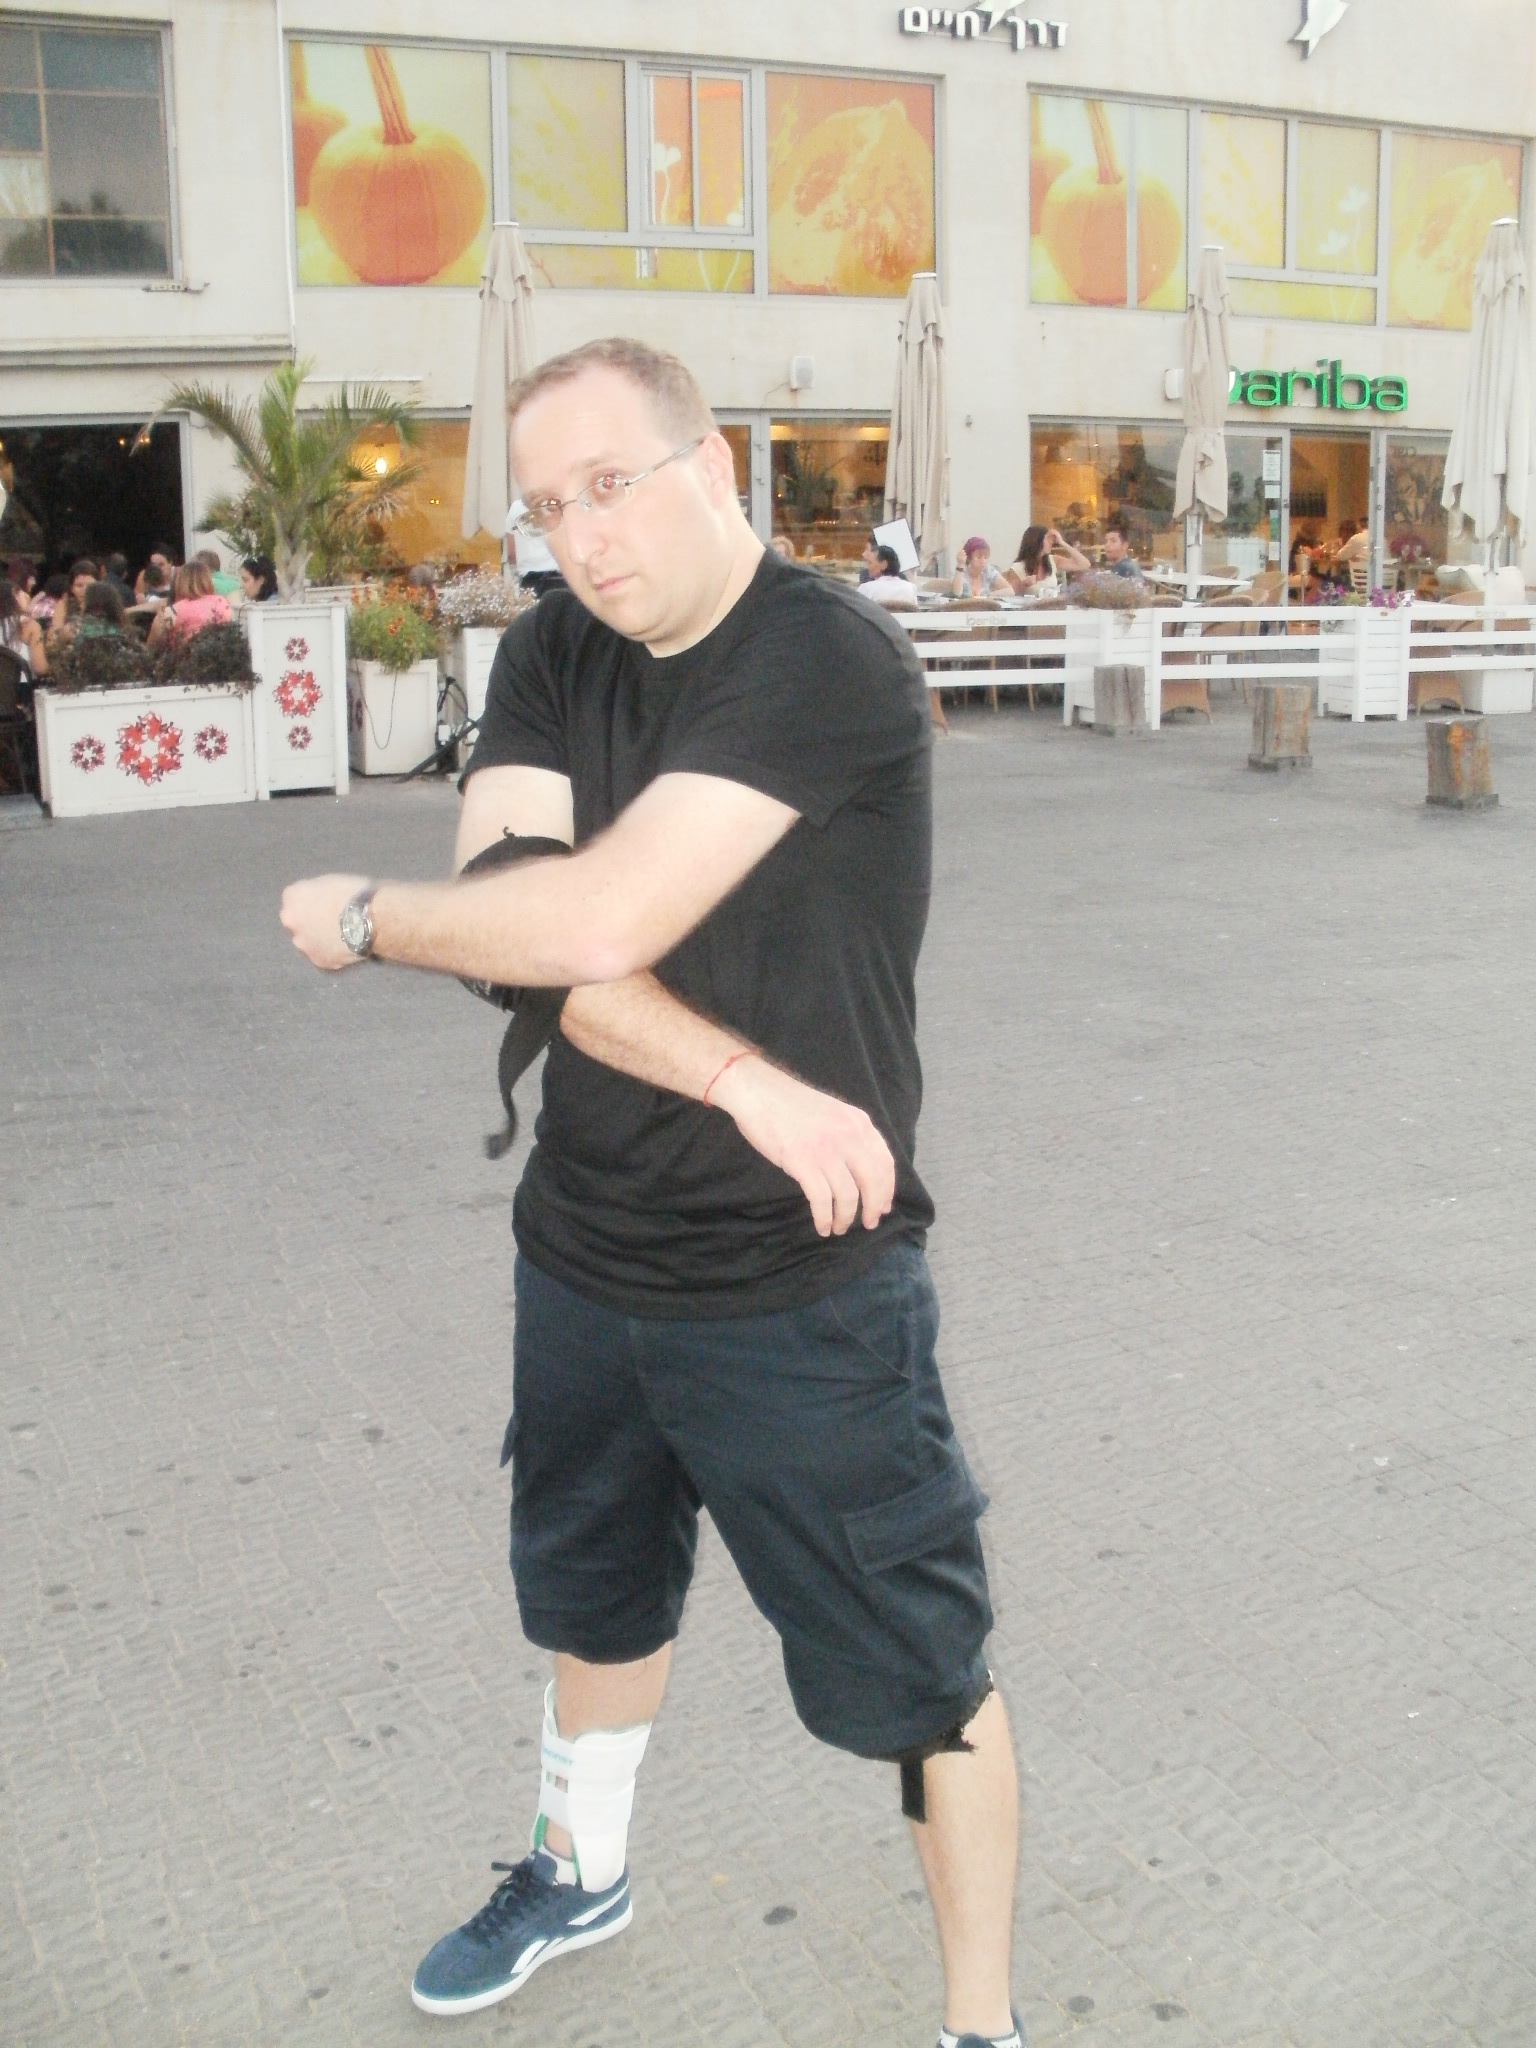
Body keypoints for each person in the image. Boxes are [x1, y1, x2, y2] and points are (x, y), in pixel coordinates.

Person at [279, 336, 1021, 2048]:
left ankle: (981, 2020)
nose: (580, 537)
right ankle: (579, 1867)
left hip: (802, 1276)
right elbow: (516, 940)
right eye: (548, 507)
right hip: (585, 1247)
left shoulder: (823, 658)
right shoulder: (551, 648)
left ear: (714, 467)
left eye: (609, 485)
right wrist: (737, 1073)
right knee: (594, 1594)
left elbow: (584, 923)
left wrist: (375, 919)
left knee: (922, 1674)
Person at [148, 560, 232, 648]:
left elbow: (151, 646)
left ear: (180, 582)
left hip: (184, 655)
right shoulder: (221, 602)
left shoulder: (173, 611)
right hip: (217, 653)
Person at [1004, 523, 1090, 596]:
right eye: (1048, 538)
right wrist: (1024, 585)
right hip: (1031, 608)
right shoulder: (1018, 568)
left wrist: (1062, 542)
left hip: (1053, 607)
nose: (1051, 542)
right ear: (1037, 541)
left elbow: (1084, 565)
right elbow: (1011, 594)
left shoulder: (1052, 560)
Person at [0, 577, 47, 680]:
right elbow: (40, 668)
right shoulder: (29, 626)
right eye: (22, 593)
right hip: (20, 684)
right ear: (14, 595)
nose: (27, 596)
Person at [857, 542, 917, 608]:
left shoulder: (866, 589)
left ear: (883, 564)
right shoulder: (911, 588)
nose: (868, 567)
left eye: (870, 563)